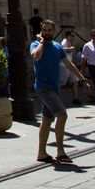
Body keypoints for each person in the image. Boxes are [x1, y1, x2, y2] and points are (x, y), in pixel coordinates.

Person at [30, 19, 72, 163]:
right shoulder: (35, 44)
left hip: (55, 87)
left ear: (53, 31)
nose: (47, 33)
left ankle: (42, 153)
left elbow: (68, 64)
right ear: (41, 31)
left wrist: (82, 79)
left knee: (46, 120)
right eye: (45, 30)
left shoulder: (57, 46)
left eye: (49, 30)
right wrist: (41, 42)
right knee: (62, 115)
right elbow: (36, 56)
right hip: (44, 88)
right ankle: (61, 152)